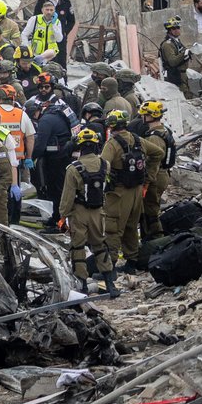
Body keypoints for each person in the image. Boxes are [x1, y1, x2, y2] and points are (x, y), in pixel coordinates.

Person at [59, 126, 112, 294]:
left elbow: (67, 197)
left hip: (79, 213)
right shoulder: (105, 164)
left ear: (79, 146)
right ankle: (110, 283)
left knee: (78, 247)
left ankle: (82, 284)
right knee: (100, 245)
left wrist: (62, 216)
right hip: (98, 212)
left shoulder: (73, 169)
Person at [102, 109, 152, 275]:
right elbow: (158, 153)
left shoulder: (112, 144)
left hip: (119, 192)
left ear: (111, 126)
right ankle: (132, 262)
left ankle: (110, 266)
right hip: (137, 190)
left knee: (113, 228)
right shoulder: (137, 139)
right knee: (131, 225)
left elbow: (103, 165)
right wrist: (147, 177)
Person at [30, 95, 73, 230]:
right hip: (62, 156)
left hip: (57, 159)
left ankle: (60, 221)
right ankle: (56, 217)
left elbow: (40, 145)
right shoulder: (53, 115)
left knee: (56, 191)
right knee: (57, 190)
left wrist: (28, 158)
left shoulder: (45, 121)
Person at [137, 100, 176, 242]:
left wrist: (146, 182)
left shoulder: (154, 137)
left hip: (155, 177)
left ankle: (156, 240)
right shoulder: (164, 130)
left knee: (150, 211)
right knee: (152, 207)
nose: (141, 117)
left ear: (150, 116)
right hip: (163, 174)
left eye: (144, 114)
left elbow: (152, 161)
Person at [20, 0, 64, 64]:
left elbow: (59, 39)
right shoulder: (35, 19)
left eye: (51, 10)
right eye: (47, 10)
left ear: (54, 11)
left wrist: (54, 25)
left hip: (50, 56)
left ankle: (41, 59)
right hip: (35, 54)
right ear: (42, 10)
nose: (49, 12)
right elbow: (24, 34)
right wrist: (27, 48)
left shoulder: (57, 22)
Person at [159, 15, 192, 98]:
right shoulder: (167, 44)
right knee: (183, 100)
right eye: (174, 28)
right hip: (175, 77)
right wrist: (185, 53)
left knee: (188, 96)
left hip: (182, 76)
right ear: (170, 30)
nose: (177, 30)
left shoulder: (176, 41)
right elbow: (172, 61)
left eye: (178, 27)